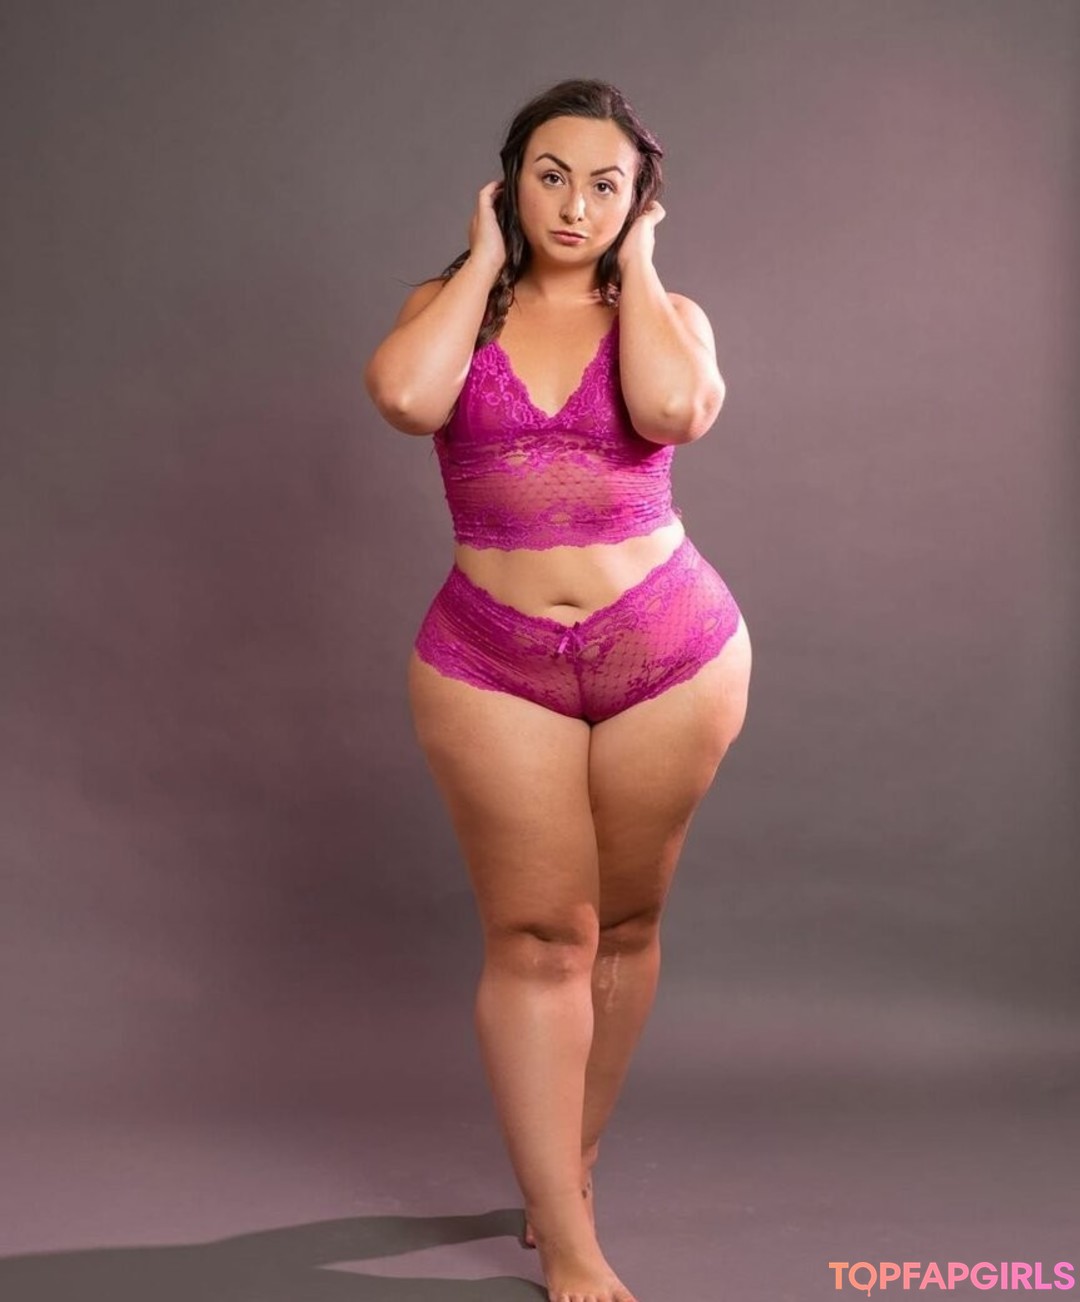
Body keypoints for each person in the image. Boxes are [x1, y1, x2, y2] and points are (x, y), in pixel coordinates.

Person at [364, 77, 752, 1302]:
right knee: (540, 935)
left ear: (639, 200)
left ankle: (567, 1164)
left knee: (625, 925)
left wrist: (640, 267)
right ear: (508, 183)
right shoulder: (447, 308)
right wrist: (485, 260)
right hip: (491, 657)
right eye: (549, 177)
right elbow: (404, 399)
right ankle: (570, 1242)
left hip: (668, 649)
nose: (574, 205)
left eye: (605, 185)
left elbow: (674, 410)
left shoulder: (669, 316)